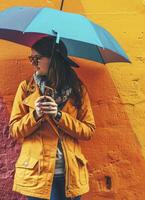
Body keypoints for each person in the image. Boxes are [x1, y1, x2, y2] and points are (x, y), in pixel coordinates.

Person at [9, 36, 96, 200]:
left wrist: (59, 116)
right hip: (37, 175)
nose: (32, 63)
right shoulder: (27, 88)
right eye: (31, 58)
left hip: (69, 175)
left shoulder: (77, 90)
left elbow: (88, 131)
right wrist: (36, 115)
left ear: (54, 60)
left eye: (37, 58)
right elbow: (15, 130)